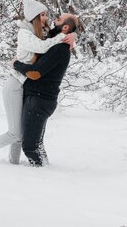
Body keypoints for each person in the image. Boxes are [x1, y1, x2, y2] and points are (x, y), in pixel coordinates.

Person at [0, 0, 76, 164]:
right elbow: (43, 47)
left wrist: (71, 34)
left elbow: (56, 34)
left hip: (24, 86)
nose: (47, 18)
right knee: (15, 133)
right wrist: (64, 36)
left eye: (47, 15)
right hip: (15, 85)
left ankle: (13, 164)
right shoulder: (25, 33)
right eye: (43, 15)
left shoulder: (39, 33)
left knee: (19, 133)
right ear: (34, 16)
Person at [12, 13, 78, 166]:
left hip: (39, 100)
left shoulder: (60, 48)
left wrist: (16, 65)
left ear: (65, 27)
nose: (53, 20)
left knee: (30, 146)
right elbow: (44, 33)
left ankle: (43, 176)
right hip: (41, 99)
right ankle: (45, 168)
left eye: (58, 20)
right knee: (37, 144)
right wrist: (73, 34)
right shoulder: (54, 43)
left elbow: (35, 73)